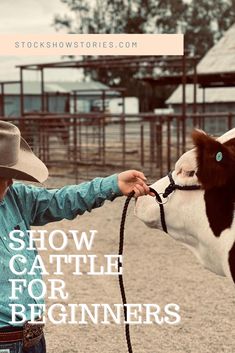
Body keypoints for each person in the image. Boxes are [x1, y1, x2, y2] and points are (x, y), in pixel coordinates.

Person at [0, 120, 151, 353]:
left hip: (31, 337)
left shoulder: (16, 197)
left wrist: (111, 185)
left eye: (10, 176)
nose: (10, 182)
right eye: (3, 177)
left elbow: (61, 200)